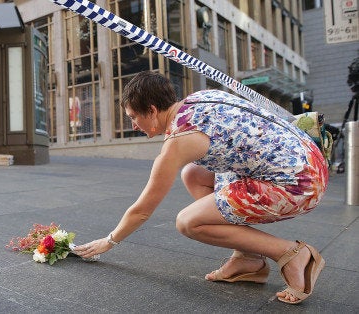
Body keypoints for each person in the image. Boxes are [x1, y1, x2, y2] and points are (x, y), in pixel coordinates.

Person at [72, 72, 328, 305]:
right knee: (194, 174)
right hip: (307, 160)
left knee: (189, 222)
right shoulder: (200, 98)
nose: (133, 126)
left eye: (133, 117)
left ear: (151, 110)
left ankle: (292, 254)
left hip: (297, 184)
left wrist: (109, 241)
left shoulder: (179, 141)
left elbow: (142, 210)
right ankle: (248, 257)